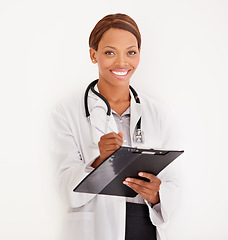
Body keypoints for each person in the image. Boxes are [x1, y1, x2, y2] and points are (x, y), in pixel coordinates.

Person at [51, 13, 180, 240]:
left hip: (145, 230)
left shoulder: (159, 114)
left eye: (131, 52)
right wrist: (100, 160)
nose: (122, 62)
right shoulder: (66, 112)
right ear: (93, 55)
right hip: (96, 229)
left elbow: (174, 184)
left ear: (139, 55)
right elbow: (65, 191)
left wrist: (157, 194)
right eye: (110, 52)